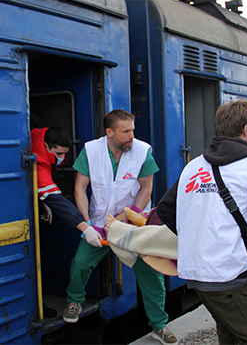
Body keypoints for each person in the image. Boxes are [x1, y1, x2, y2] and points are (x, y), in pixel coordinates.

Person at [156, 98, 247, 345]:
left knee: (230, 332)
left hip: (196, 273)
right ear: (246, 130)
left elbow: (165, 209)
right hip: (228, 273)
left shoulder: (194, 166)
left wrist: (197, 239)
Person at [65, 109, 177, 345]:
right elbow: (80, 188)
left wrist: (130, 216)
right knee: (80, 263)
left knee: (152, 274)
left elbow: (146, 187)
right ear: (110, 132)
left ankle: (159, 326)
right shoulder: (92, 151)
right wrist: (86, 225)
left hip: (132, 225)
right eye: (126, 131)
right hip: (99, 224)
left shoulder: (142, 150)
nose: (132, 136)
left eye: (133, 130)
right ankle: (74, 301)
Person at [30, 126, 93, 318]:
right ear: (47, 147)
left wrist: (41, 200)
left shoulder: (40, 138)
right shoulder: (38, 159)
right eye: (58, 153)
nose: (62, 158)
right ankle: (37, 305)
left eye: (65, 154)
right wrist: (85, 227)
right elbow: (57, 200)